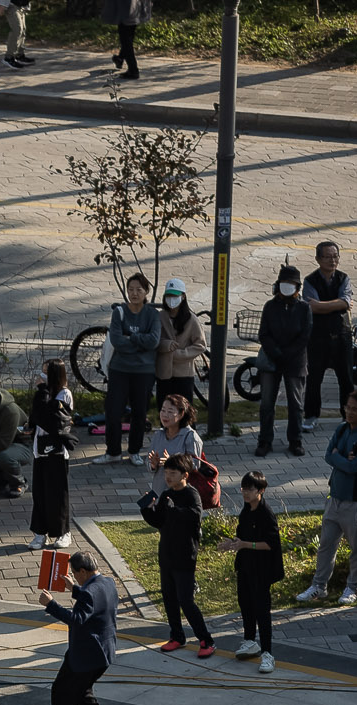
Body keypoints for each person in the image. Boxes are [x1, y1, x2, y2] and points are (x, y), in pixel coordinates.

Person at [299, 387, 357, 608]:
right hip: (335, 498)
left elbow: (354, 466)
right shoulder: (342, 429)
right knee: (326, 545)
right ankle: (319, 586)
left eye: (354, 409)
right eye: (347, 407)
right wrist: (341, 458)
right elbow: (328, 455)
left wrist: (339, 458)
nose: (349, 412)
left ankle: (353, 587)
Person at [39, 548, 117, 705]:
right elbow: (94, 600)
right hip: (104, 652)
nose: (74, 577)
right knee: (81, 688)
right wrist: (74, 589)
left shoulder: (89, 593)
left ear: (82, 571)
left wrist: (51, 605)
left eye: (74, 574)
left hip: (85, 655)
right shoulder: (108, 583)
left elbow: (77, 618)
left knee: (61, 692)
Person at [141, 457, 213, 658]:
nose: (168, 477)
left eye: (173, 473)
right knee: (169, 598)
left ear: (185, 475)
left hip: (184, 556)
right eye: (166, 473)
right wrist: (147, 510)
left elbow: (194, 517)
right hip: (166, 554)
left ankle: (206, 640)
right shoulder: (165, 495)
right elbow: (159, 521)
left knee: (186, 600)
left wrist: (174, 509)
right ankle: (177, 636)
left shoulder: (191, 494)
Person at [216, 471, 283, 671]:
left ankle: (268, 653)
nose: (245, 492)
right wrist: (232, 544)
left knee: (262, 611)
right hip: (245, 566)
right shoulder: (246, 511)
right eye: (243, 488)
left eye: (250, 489)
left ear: (261, 490)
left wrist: (246, 544)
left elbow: (271, 544)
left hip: (261, 570)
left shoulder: (266, 514)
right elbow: (242, 538)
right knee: (245, 605)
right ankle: (249, 641)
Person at [255, 266, 314, 456]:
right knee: (266, 404)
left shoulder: (304, 308)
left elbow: (305, 336)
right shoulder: (270, 306)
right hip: (272, 361)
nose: (287, 288)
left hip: (295, 362)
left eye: (291, 284)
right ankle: (265, 441)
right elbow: (264, 334)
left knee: (296, 404)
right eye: (284, 284)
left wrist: (288, 354)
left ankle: (295, 440)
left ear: (298, 287)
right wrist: (276, 353)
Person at [105, 273, 163, 455]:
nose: (134, 293)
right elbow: (116, 341)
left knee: (139, 413)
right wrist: (140, 344)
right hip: (119, 369)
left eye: (139, 289)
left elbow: (154, 341)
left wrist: (131, 338)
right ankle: (112, 452)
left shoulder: (153, 314)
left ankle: (134, 451)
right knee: (113, 413)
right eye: (130, 289)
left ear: (146, 291)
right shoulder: (119, 312)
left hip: (143, 371)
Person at [303, 241, 357, 422]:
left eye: (335, 256)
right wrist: (338, 304)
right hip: (317, 338)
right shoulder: (310, 281)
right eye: (327, 256)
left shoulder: (344, 278)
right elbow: (312, 307)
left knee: (347, 380)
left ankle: (348, 417)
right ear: (318, 259)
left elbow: (343, 302)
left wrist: (324, 305)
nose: (332, 260)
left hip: (341, 336)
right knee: (313, 380)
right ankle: (311, 416)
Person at [29, 360, 75, 548]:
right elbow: (37, 416)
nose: (42, 376)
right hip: (40, 451)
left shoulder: (64, 394)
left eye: (46, 372)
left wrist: (42, 391)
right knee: (40, 494)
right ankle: (40, 532)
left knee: (57, 494)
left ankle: (63, 532)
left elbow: (51, 419)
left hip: (56, 452)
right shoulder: (43, 394)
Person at [155, 282, 206, 407]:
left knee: (184, 412)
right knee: (165, 409)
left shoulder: (191, 319)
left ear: (183, 296)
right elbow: (154, 340)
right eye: (169, 296)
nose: (171, 299)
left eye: (175, 296)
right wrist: (165, 345)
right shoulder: (160, 316)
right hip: (163, 373)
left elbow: (200, 345)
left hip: (183, 373)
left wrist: (180, 354)